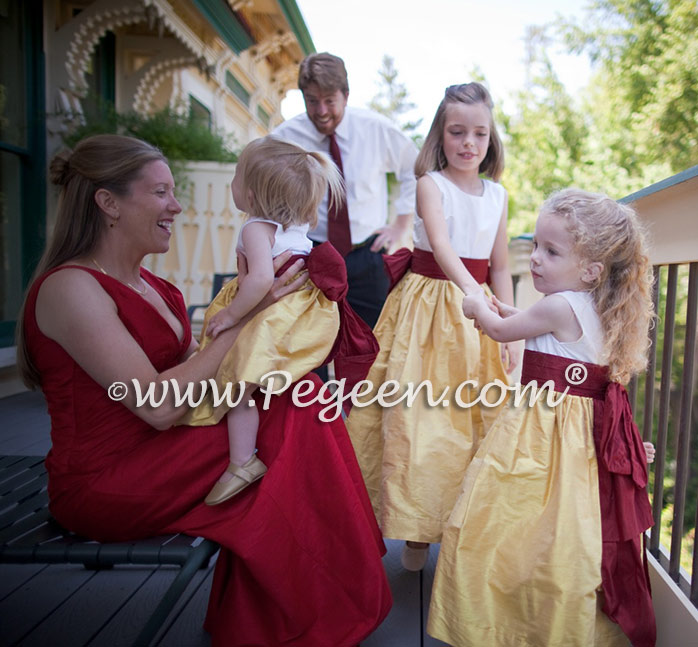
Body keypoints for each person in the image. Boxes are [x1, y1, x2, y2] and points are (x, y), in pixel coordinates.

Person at [15, 134, 392, 646]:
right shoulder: (72, 289)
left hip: (166, 451)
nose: (177, 205)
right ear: (109, 204)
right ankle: (318, 603)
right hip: (110, 480)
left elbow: (207, 371)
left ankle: (320, 594)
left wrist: (282, 332)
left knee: (295, 395)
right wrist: (251, 321)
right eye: (161, 193)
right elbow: (160, 406)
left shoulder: (158, 288)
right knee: (291, 410)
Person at [428, 189, 656, 647]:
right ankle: (556, 623)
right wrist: (508, 311)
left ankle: (494, 619)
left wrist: (477, 304)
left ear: (591, 269)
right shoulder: (592, 308)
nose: (534, 259)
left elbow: (500, 331)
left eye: (551, 252)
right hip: (577, 439)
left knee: (503, 519)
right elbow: (537, 326)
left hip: (541, 433)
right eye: (535, 246)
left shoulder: (558, 305)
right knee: (561, 530)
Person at [346, 82, 519, 572]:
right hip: (430, 310)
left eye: (479, 134)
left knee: (473, 419)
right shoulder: (430, 184)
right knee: (420, 419)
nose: (469, 143)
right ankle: (416, 526)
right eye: (457, 132)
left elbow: (500, 266)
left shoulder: (498, 194)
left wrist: (509, 322)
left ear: (491, 139)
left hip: (480, 309)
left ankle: (459, 525)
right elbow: (441, 247)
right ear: (440, 135)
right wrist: (473, 295)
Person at [183, 136, 356, 505]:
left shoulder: (255, 228)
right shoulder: (296, 230)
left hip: (274, 316)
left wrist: (231, 313)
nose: (232, 184)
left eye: (235, 176)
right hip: (307, 320)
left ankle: (242, 461)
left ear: (250, 191)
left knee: (237, 382)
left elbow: (261, 280)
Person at [272, 52, 419, 330]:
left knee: (367, 348)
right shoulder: (285, 138)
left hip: (367, 256)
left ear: (346, 95)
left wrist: (400, 225)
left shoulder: (376, 130)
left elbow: (414, 167)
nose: (322, 111)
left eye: (330, 101)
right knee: (304, 347)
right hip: (309, 255)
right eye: (312, 101)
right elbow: (259, 182)